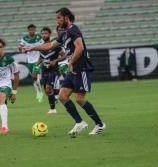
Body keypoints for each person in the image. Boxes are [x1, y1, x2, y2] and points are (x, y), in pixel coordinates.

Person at [22, 8, 105, 136]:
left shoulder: (73, 29)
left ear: (66, 17)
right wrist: (31, 48)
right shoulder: (65, 34)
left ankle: (99, 124)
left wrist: (70, 63)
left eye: (59, 18)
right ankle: (79, 122)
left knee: (79, 99)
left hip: (81, 68)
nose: (57, 21)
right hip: (73, 70)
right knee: (62, 96)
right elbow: (49, 46)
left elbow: (80, 47)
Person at [37, 27, 66, 114]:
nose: (44, 35)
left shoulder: (54, 45)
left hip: (53, 70)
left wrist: (55, 61)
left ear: (49, 34)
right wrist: (36, 65)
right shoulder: (41, 46)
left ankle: (54, 108)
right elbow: (41, 57)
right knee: (47, 91)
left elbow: (64, 55)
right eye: (42, 33)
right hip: (44, 70)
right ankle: (54, 103)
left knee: (49, 89)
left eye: (45, 33)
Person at [19, 24, 44, 103]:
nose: (32, 31)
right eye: (30, 30)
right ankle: (38, 92)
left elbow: (44, 46)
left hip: (38, 60)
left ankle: (40, 93)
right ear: (28, 30)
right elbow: (21, 49)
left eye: (33, 29)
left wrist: (35, 48)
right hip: (30, 61)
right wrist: (23, 49)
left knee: (34, 76)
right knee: (34, 78)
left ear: (35, 30)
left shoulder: (39, 37)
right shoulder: (24, 39)